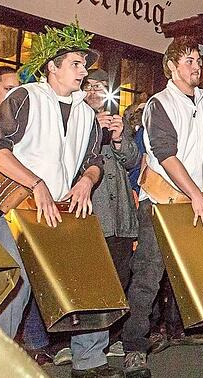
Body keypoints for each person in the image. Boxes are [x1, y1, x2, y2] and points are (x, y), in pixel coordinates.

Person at [0, 22, 116, 377]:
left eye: (84, 64)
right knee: (15, 288)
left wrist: (86, 180)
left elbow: (94, 162)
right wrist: (35, 182)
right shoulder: (25, 97)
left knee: (87, 278)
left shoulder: (87, 114)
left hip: (64, 209)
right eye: (75, 63)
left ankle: (90, 360)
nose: (83, 71)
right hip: (21, 208)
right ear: (52, 67)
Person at [124, 37, 203, 378]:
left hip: (198, 197)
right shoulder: (159, 104)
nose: (196, 67)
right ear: (171, 67)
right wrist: (195, 194)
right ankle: (134, 347)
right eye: (189, 61)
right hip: (162, 200)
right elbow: (166, 155)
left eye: (198, 61)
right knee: (148, 277)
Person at [82, 69, 141, 357]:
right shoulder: (75, 118)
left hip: (121, 216)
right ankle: (83, 345)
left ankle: (111, 337)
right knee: (93, 282)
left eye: (101, 86)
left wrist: (118, 139)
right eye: (89, 85)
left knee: (120, 278)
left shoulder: (116, 120)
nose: (95, 91)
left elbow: (132, 161)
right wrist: (93, 129)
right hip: (93, 212)